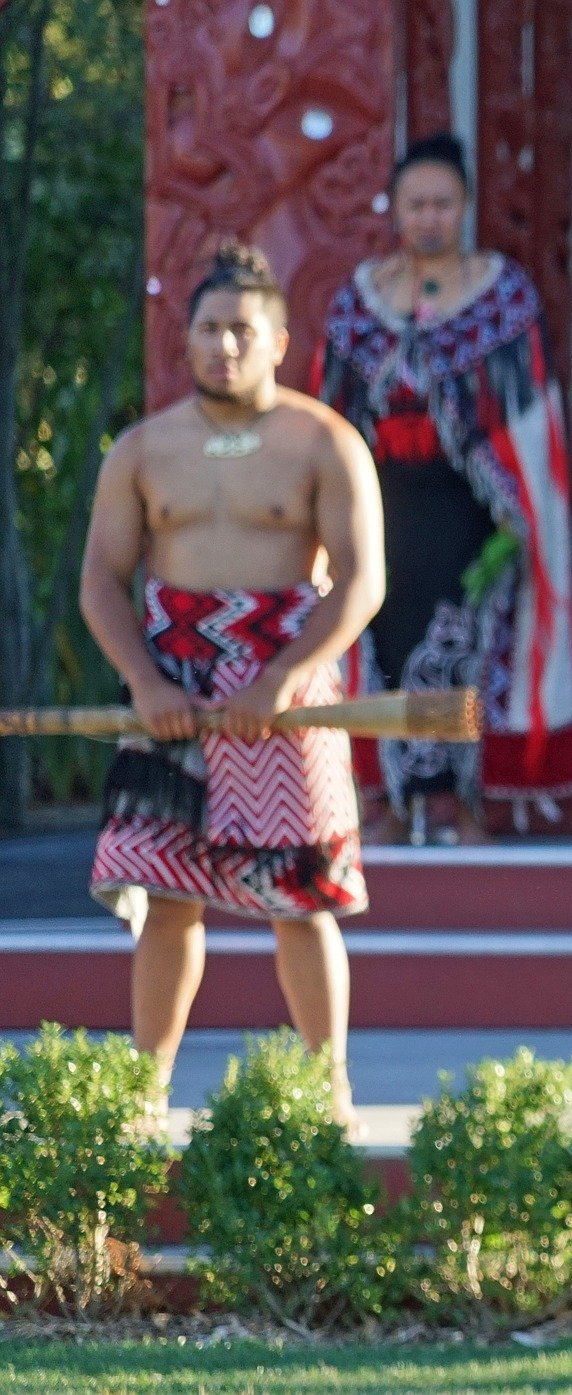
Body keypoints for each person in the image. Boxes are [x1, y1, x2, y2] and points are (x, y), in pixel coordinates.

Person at [81, 240, 384, 1124]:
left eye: (243, 331)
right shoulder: (143, 447)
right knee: (167, 895)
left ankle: (329, 1090)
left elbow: (362, 580)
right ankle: (145, 1094)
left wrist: (282, 678)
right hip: (170, 681)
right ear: (188, 338)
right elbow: (103, 578)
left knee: (303, 897)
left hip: (287, 689)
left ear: (279, 339)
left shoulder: (325, 440)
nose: (225, 346)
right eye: (210, 330)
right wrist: (143, 679)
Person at [312, 131, 572, 846]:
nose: (429, 217)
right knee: (384, 647)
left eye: (442, 203)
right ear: (395, 211)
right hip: (383, 511)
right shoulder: (359, 304)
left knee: (467, 649)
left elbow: (532, 423)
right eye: (416, 204)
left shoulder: (504, 297)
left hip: (473, 514)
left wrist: (516, 517)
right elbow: (328, 418)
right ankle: (390, 799)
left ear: (462, 207)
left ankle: (463, 800)